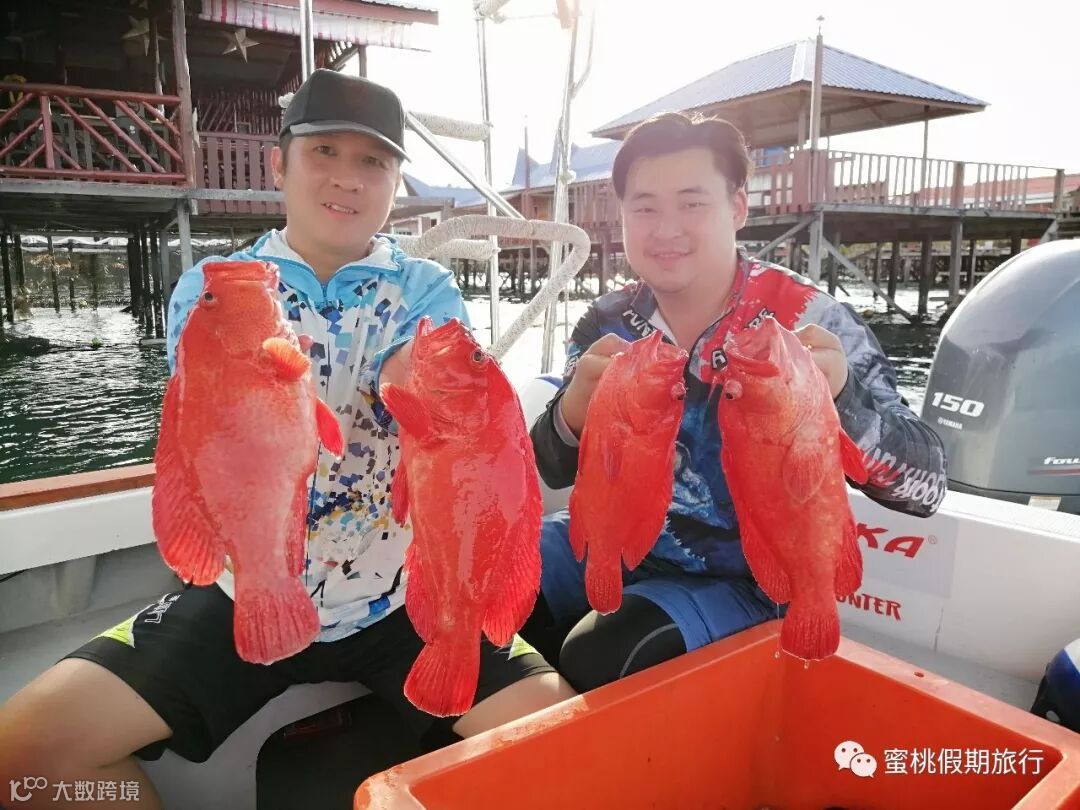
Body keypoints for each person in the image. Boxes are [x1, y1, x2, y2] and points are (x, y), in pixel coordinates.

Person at [0, 70, 573, 808]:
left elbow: (425, 372)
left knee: (564, 735)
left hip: (400, 598)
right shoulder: (215, 287)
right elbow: (201, 438)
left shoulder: (425, 287)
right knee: (22, 759)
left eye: (373, 161)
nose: (347, 177)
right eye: (323, 151)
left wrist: (409, 379)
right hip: (244, 588)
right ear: (279, 164)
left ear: (395, 181)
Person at [523, 112, 948, 693]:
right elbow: (552, 469)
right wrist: (572, 409)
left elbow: (926, 488)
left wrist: (841, 398)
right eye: (644, 208)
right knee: (479, 584)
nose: (666, 229)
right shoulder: (607, 319)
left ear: (738, 208)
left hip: (749, 577)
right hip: (615, 540)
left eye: (692, 203)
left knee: (602, 653)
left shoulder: (809, 319)